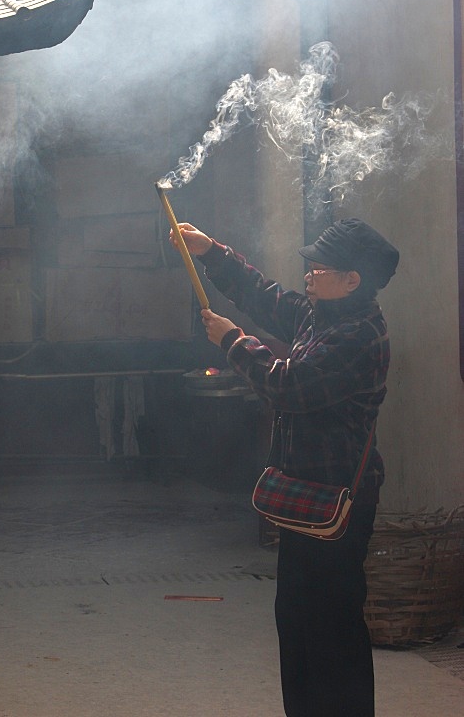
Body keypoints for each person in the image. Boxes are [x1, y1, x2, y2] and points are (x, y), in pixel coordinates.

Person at [171, 217, 399, 717]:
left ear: (352, 280)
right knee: (296, 623)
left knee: (332, 629)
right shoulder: (324, 316)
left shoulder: (358, 337)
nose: (308, 278)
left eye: (318, 270)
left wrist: (233, 342)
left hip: (339, 503)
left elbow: (289, 388)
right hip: (308, 500)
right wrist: (210, 251)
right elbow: (264, 295)